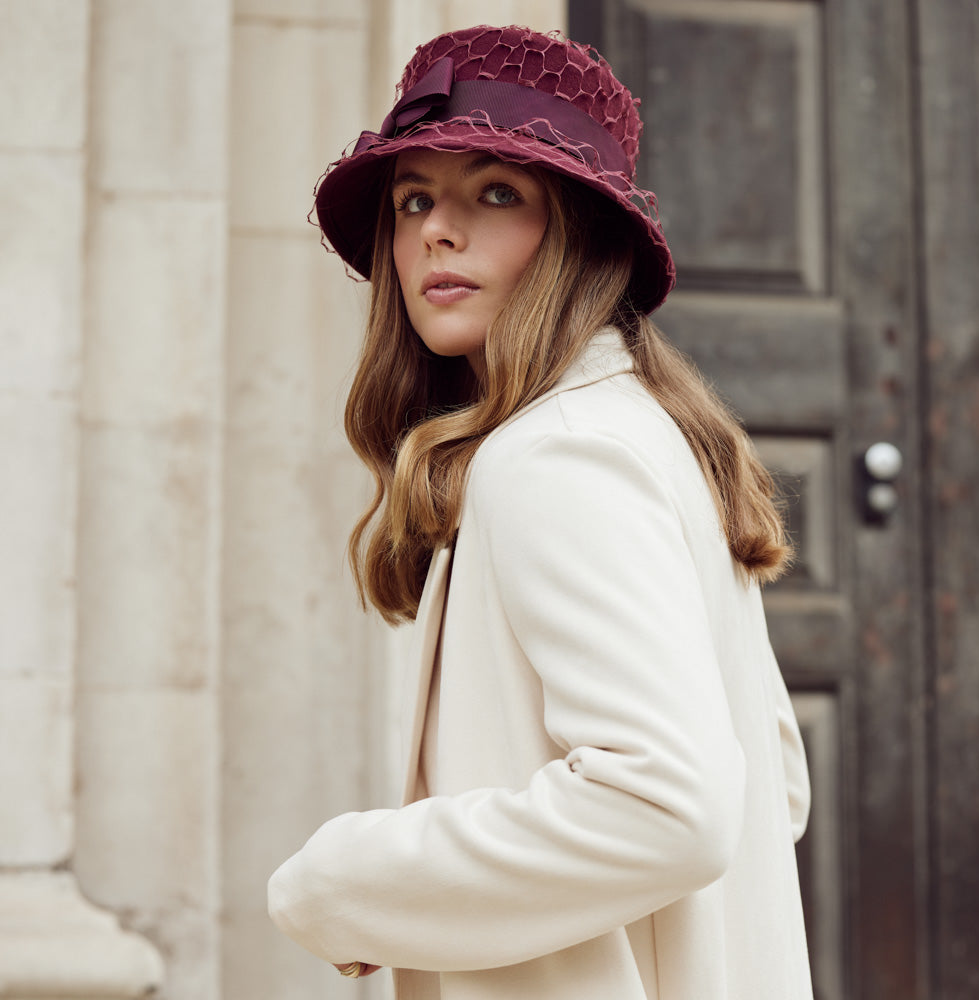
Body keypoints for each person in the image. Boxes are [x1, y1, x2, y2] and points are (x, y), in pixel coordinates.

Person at [268, 24, 813, 1000]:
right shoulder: (643, 433)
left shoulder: (554, 457)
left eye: (496, 193)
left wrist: (343, 882)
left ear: (577, 235)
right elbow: (770, 781)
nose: (438, 229)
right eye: (414, 199)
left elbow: (670, 803)